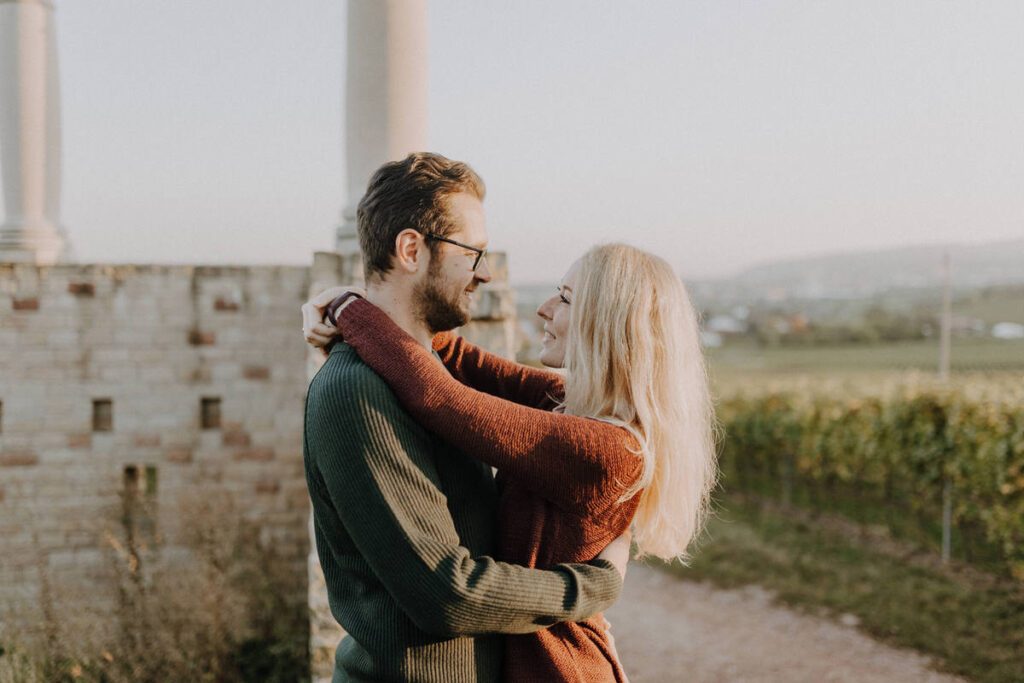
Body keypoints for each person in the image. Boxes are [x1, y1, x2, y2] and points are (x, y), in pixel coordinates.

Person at [306, 242, 719, 676]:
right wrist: (374, 303)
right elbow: (457, 358)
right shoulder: (567, 404)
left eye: (564, 299)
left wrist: (349, 311)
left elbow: (441, 398)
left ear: (610, 325)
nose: (543, 309)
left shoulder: (606, 450)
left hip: (558, 670)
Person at [302, 152, 631, 683]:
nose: (484, 272)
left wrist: (347, 308)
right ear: (411, 249)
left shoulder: (426, 374)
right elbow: (447, 593)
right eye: (472, 252)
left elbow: (455, 385)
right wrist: (592, 587)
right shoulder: (355, 392)